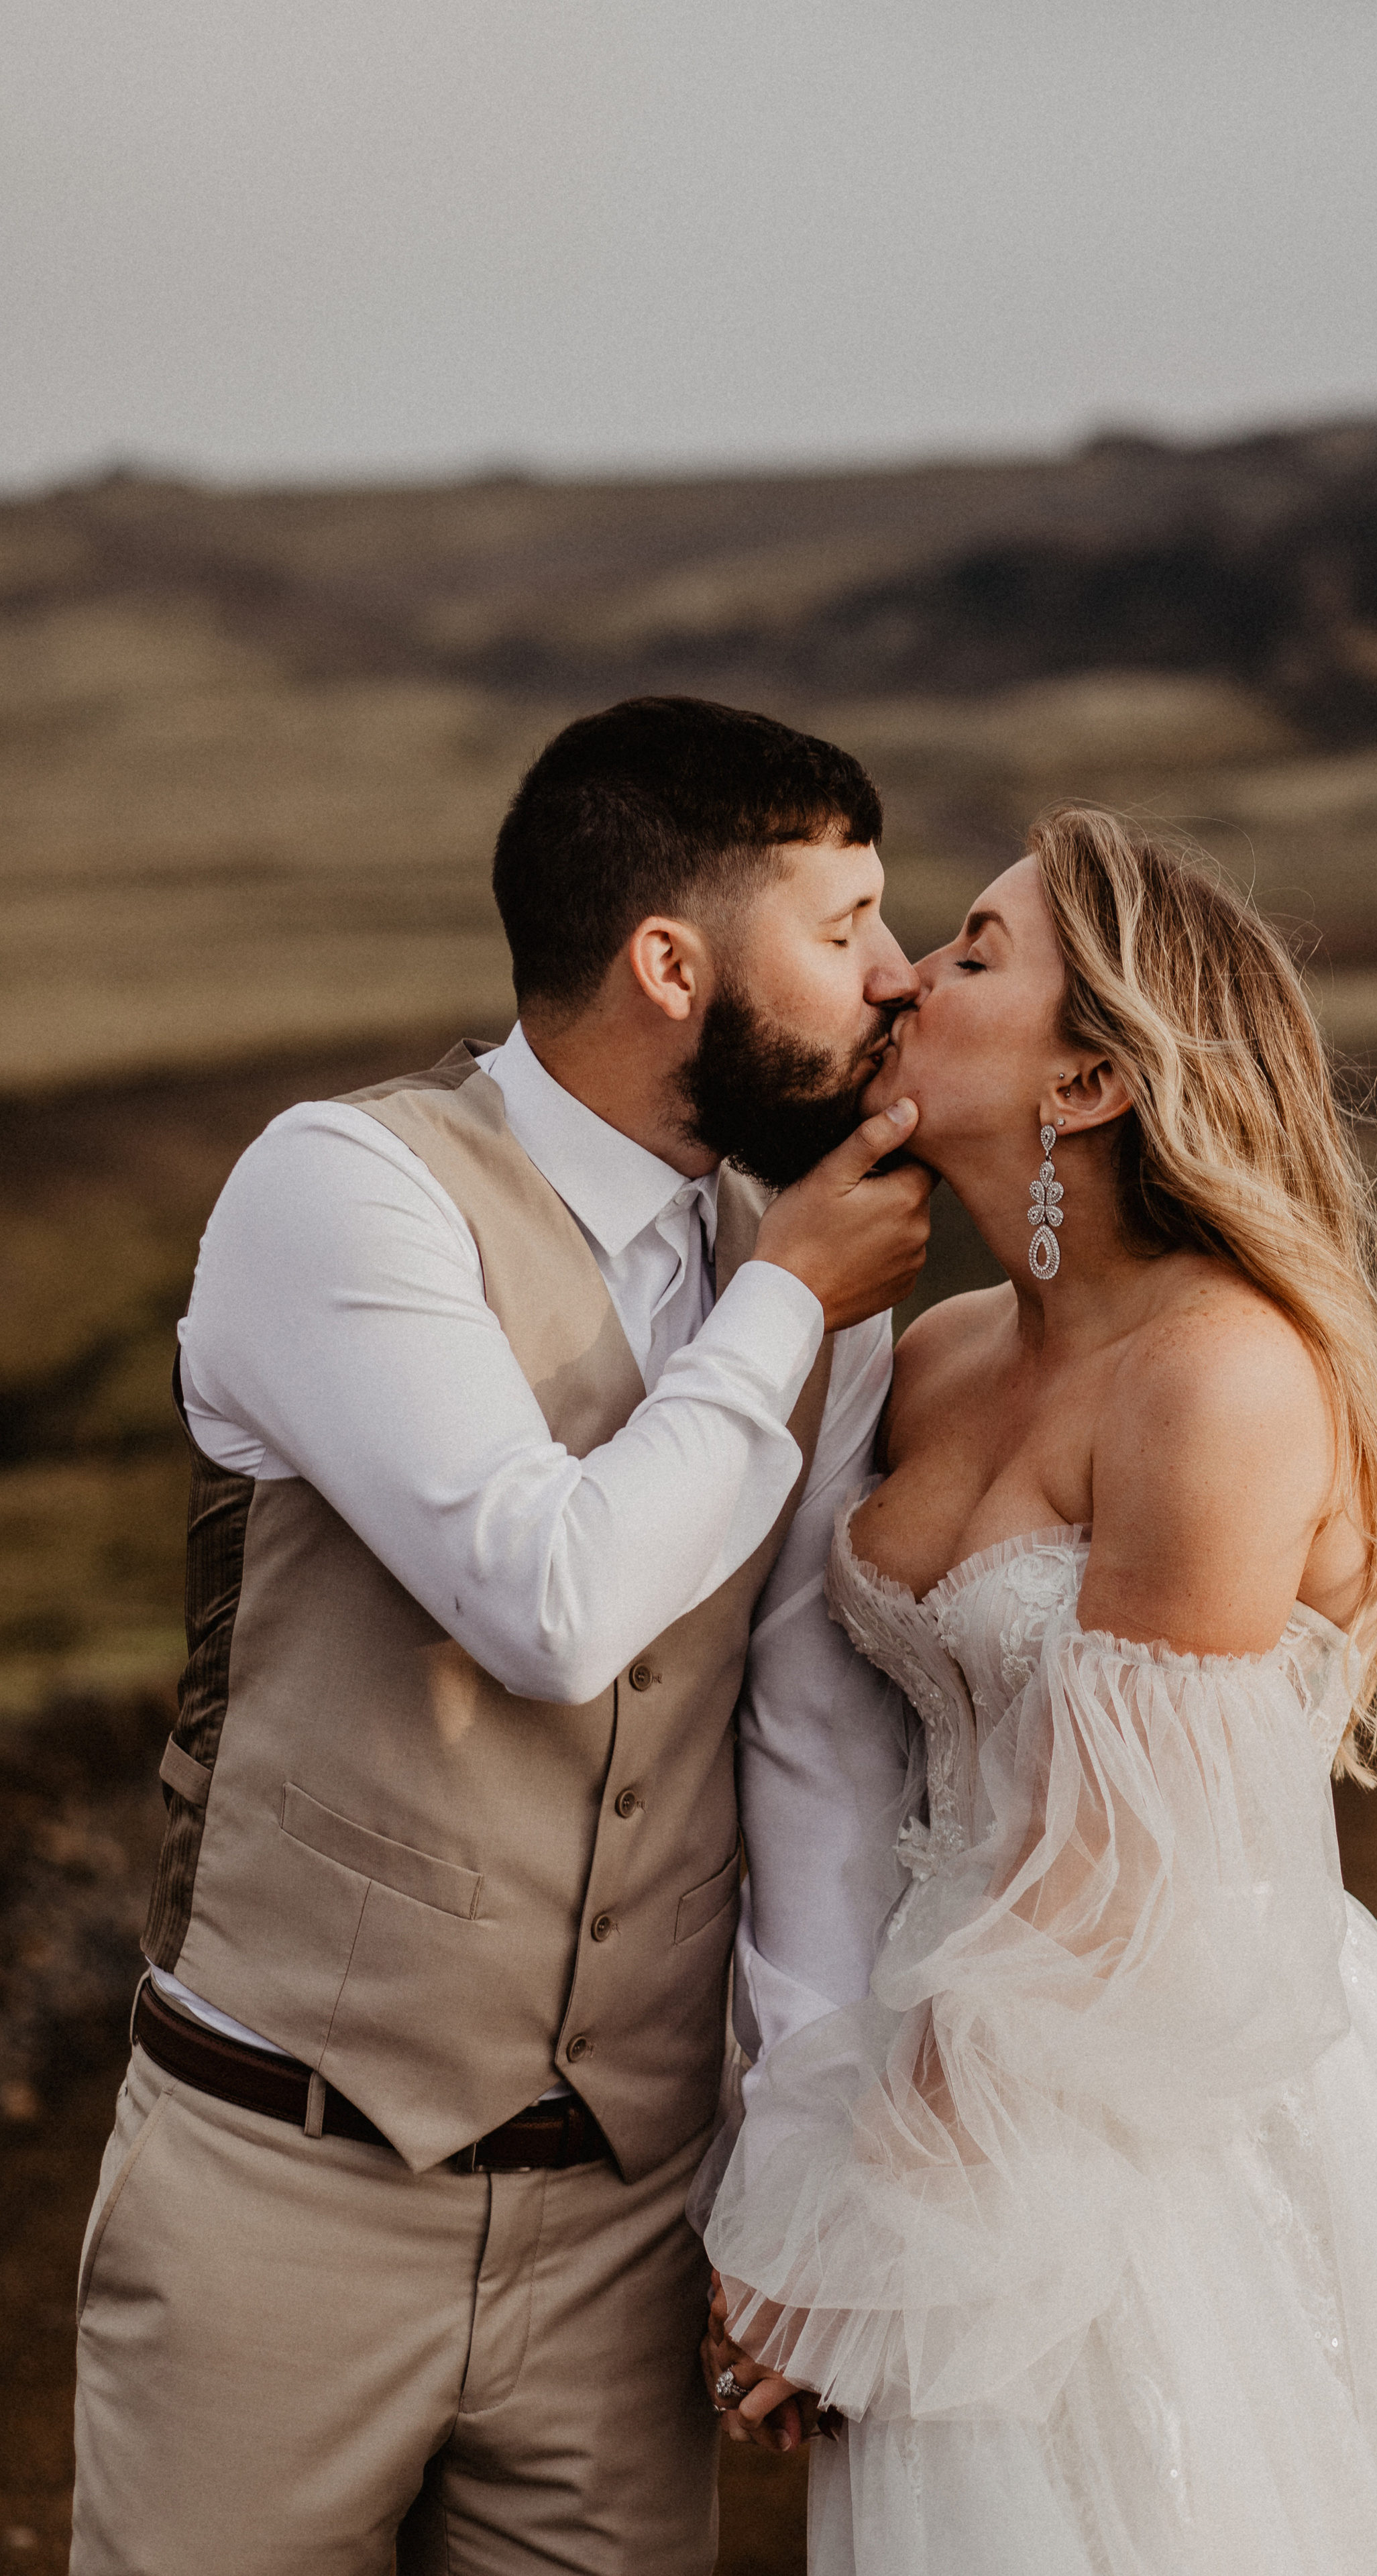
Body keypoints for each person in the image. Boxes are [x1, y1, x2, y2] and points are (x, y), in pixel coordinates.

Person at [702, 805, 1377, 2571]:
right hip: (934, 2034)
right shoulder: (940, 1356)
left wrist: (876, 2226)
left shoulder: (1225, 1374)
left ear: (1091, 1081)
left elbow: (1116, 1875)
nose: (907, 978)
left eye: (974, 952)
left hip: (1145, 2088)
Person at [70, 697, 931, 2576]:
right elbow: (550, 1607)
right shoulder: (343, 1188)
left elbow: (810, 1736)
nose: (897, 974)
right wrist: (787, 1304)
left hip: (625, 2231)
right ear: (672, 966)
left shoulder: (808, 1275)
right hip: (286, 2192)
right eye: (847, 923)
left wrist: (804, 2177)